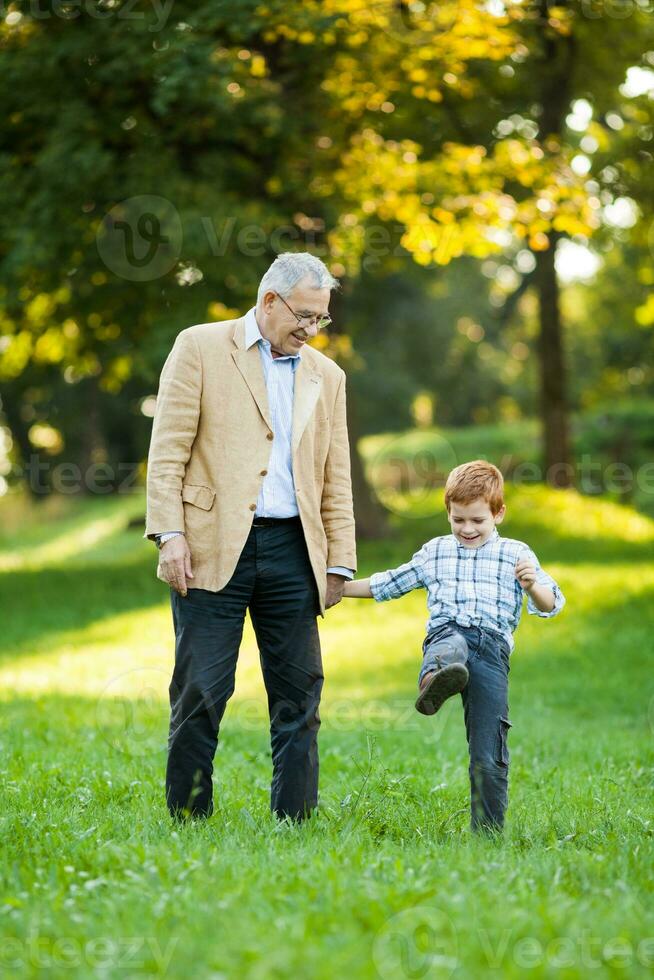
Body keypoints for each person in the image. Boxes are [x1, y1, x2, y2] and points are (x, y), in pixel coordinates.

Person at [143, 252, 357, 822]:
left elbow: (337, 474)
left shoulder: (327, 377)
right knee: (200, 693)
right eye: (305, 316)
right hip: (212, 545)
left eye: (321, 320)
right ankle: (189, 819)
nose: (312, 330)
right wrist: (169, 534)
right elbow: (168, 451)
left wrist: (340, 561)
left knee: (300, 698)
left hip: (294, 551)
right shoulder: (199, 347)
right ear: (270, 301)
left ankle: (294, 821)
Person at [342, 460, 565, 832]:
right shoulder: (436, 552)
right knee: (450, 646)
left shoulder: (516, 553)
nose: (467, 528)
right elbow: (389, 582)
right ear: (448, 513)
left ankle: (488, 833)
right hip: (448, 633)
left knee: (488, 751)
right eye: (458, 519)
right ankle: (435, 679)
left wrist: (532, 586)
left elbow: (551, 604)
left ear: (499, 513)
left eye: (477, 520)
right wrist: (339, 589)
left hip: (493, 650)